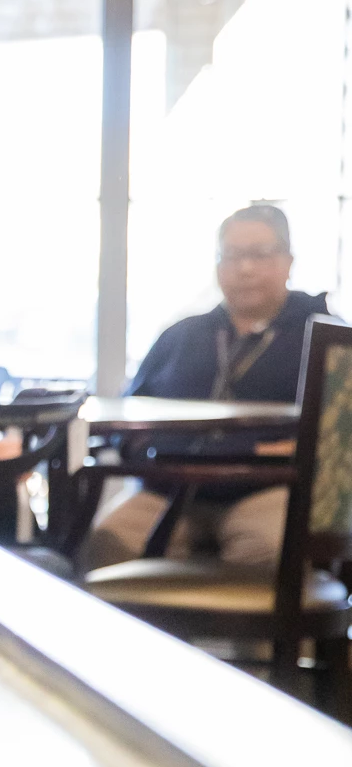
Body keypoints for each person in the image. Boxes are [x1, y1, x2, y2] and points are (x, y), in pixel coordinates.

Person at [80, 204, 330, 571]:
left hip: (273, 490)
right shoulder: (181, 336)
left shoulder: (323, 337)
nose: (245, 268)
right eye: (231, 256)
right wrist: (148, 451)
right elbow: (129, 414)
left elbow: (336, 436)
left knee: (270, 549)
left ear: (288, 262)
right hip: (168, 489)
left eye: (259, 254)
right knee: (109, 539)